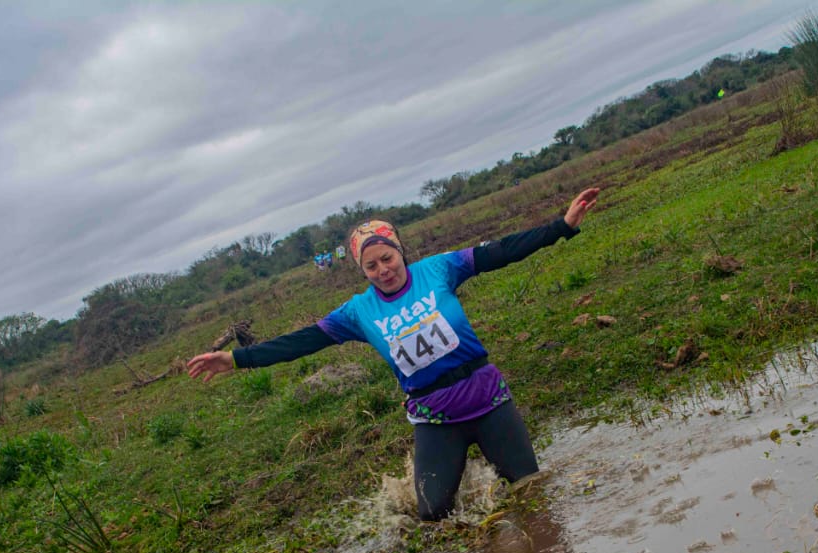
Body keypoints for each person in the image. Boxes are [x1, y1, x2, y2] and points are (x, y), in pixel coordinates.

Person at [187, 187, 601, 520]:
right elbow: (302, 341)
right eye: (371, 266)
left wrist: (561, 227)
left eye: (387, 257)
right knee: (434, 514)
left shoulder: (439, 269)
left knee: (533, 492)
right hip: (436, 418)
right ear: (362, 271)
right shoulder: (358, 312)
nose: (383, 270)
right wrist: (238, 359)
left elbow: (503, 251)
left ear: (400, 250)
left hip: (487, 399)